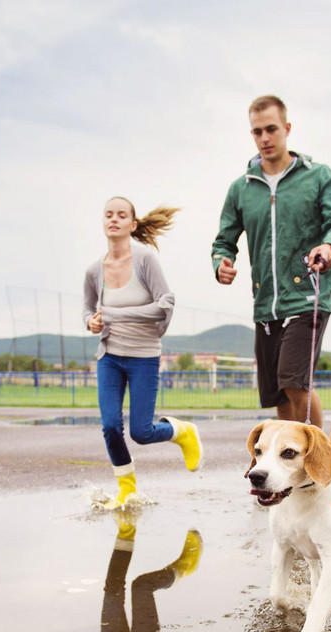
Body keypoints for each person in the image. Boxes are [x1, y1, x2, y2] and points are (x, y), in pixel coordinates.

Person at [211, 95, 331, 428]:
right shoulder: (241, 190)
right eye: (257, 131)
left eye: (271, 129)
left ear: (287, 128)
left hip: (307, 296)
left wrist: (330, 247)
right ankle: (291, 467)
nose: (264, 138)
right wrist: (222, 262)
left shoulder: (318, 177)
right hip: (266, 305)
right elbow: (223, 241)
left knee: (294, 383)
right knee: (279, 394)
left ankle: (322, 463)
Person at [83, 196, 203, 509]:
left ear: (132, 224)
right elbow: (87, 307)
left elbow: (165, 302)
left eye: (121, 215)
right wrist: (91, 321)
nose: (114, 219)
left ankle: (182, 431)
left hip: (144, 356)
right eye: (108, 214)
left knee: (142, 431)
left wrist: (114, 314)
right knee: (110, 426)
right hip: (109, 356)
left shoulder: (145, 260)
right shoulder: (94, 270)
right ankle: (126, 487)